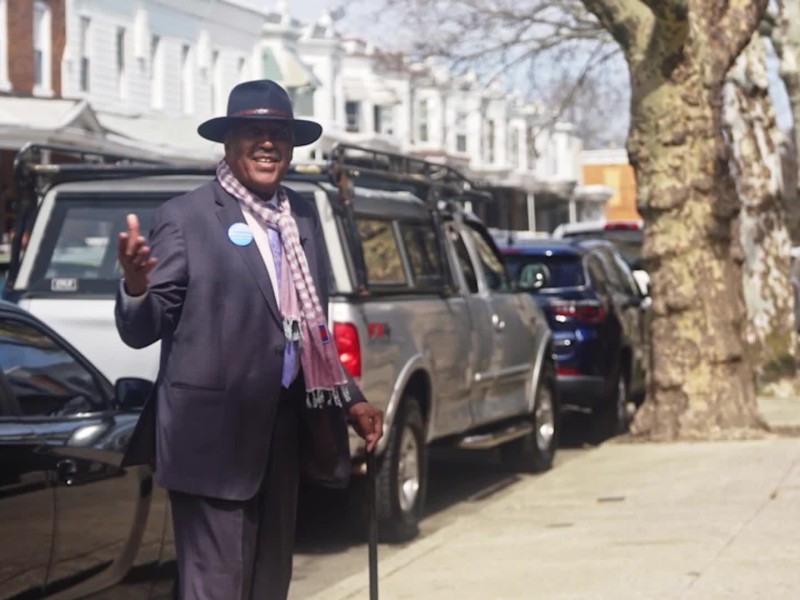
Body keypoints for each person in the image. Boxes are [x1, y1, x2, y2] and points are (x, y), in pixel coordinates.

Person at [115, 79, 384, 600]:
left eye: (278, 132)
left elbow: (312, 330)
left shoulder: (300, 215)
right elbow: (143, 328)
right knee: (217, 590)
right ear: (228, 142)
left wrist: (350, 398)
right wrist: (135, 285)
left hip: (281, 434)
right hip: (210, 441)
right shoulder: (187, 217)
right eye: (253, 131)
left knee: (268, 587)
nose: (267, 142)